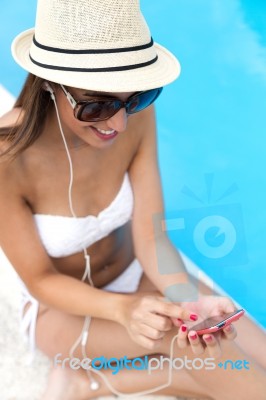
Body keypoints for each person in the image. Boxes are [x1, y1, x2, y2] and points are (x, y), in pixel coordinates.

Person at [0, 0, 265, 399]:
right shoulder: (8, 159)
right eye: (97, 105)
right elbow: (41, 280)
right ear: (50, 85)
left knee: (237, 344)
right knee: (193, 344)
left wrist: (190, 303)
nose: (119, 123)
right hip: (65, 311)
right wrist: (125, 312)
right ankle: (83, 376)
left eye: (137, 97)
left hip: (139, 277)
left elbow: (153, 240)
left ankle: (89, 382)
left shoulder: (132, 116)